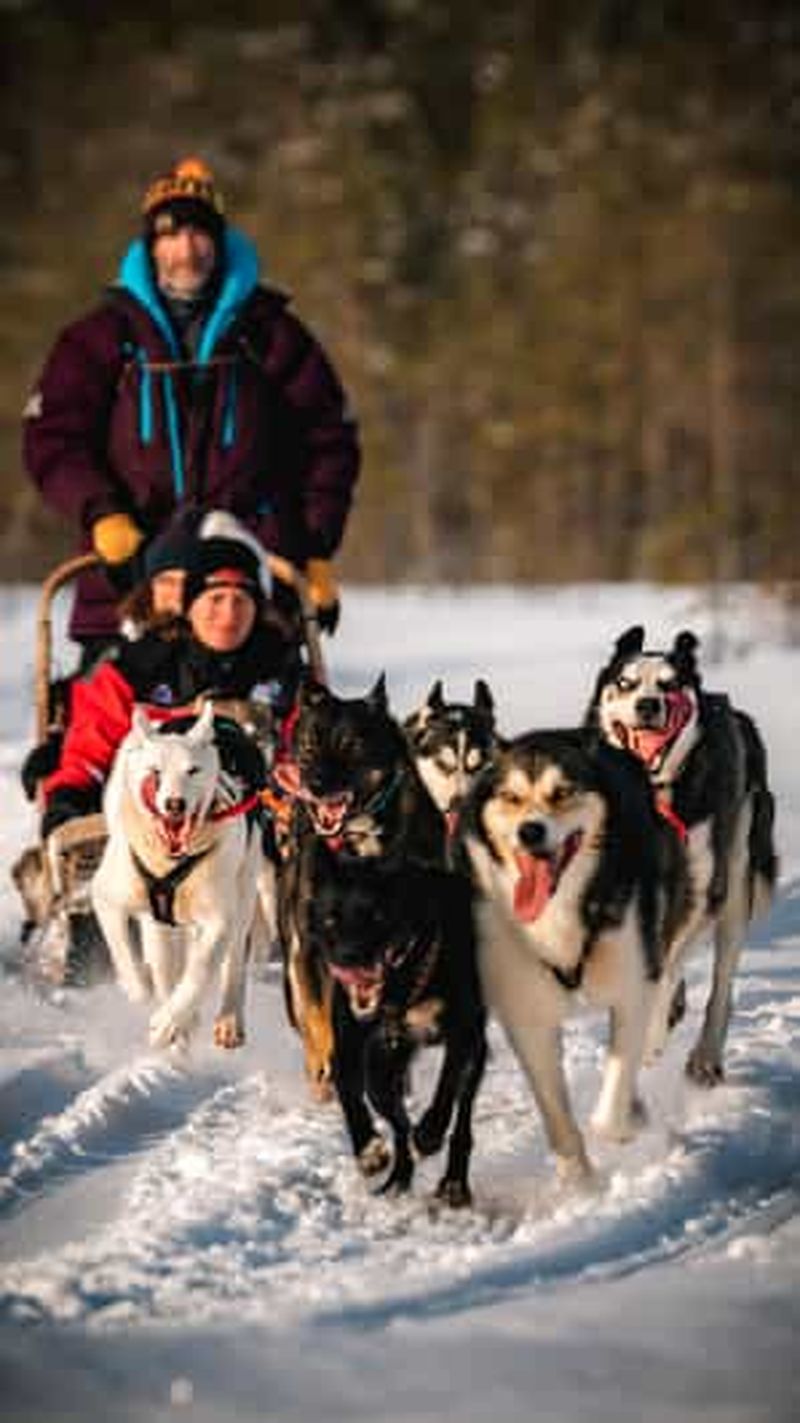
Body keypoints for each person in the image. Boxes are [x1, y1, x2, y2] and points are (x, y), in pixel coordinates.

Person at [22, 156, 360, 667]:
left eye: (200, 234)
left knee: (272, 711)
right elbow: (53, 439)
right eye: (170, 235)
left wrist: (315, 548)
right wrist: (102, 512)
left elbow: (328, 443)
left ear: (219, 243)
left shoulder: (270, 335)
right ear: (150, 246)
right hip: (130, 574)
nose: (186, 250)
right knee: (107, 708)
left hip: (249, 583)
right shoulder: (102, 337)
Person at [38, 531, 298, 839]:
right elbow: (90, 753)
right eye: (216, 599)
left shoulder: (281, 669)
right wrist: (67, 803)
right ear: (190, 605)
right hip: (145, 828)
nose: (229, 614)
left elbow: (303, 749)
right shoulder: (137, 667)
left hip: (259, 825)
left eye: (241, 600)